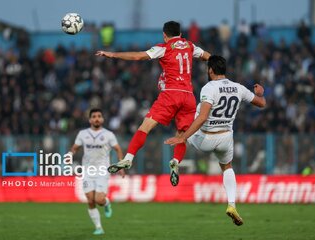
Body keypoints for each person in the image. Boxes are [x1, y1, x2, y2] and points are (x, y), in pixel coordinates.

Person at [96, 21, 210, 186]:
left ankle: (128, 159)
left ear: (165, 34)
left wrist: (113, 55)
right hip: (189, 97)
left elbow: (138, 56)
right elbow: (208, 57)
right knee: (182, 135)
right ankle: (176, 162)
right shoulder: (190, 46)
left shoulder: (164, 47)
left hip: (171, 94)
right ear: (180, 33)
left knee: (145, 127)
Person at [165, 55, 266, 225]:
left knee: (183, 126)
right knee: (227, 166)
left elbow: (203, 117)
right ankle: (232, 204)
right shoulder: (238, 88)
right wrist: (260, 93)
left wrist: (183, 137)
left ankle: (175, 160)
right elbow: (262, 103)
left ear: (210, 70)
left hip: (205, 138)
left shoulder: (209, 88)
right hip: (225, 137)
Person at [68, 108, 124, 235]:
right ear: (90, 120)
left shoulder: (109, 134)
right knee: (90, 200)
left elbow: (118, 149)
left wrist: (120, 166)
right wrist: (70, 154)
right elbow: (75, 147)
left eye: (99, 116)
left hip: (102, 170)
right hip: (88, 171)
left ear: (102, 119)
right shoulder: (83, 134)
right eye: (94, 116)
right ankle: (99, 227)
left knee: (99, 200)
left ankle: (106, 203)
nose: (97, 118)